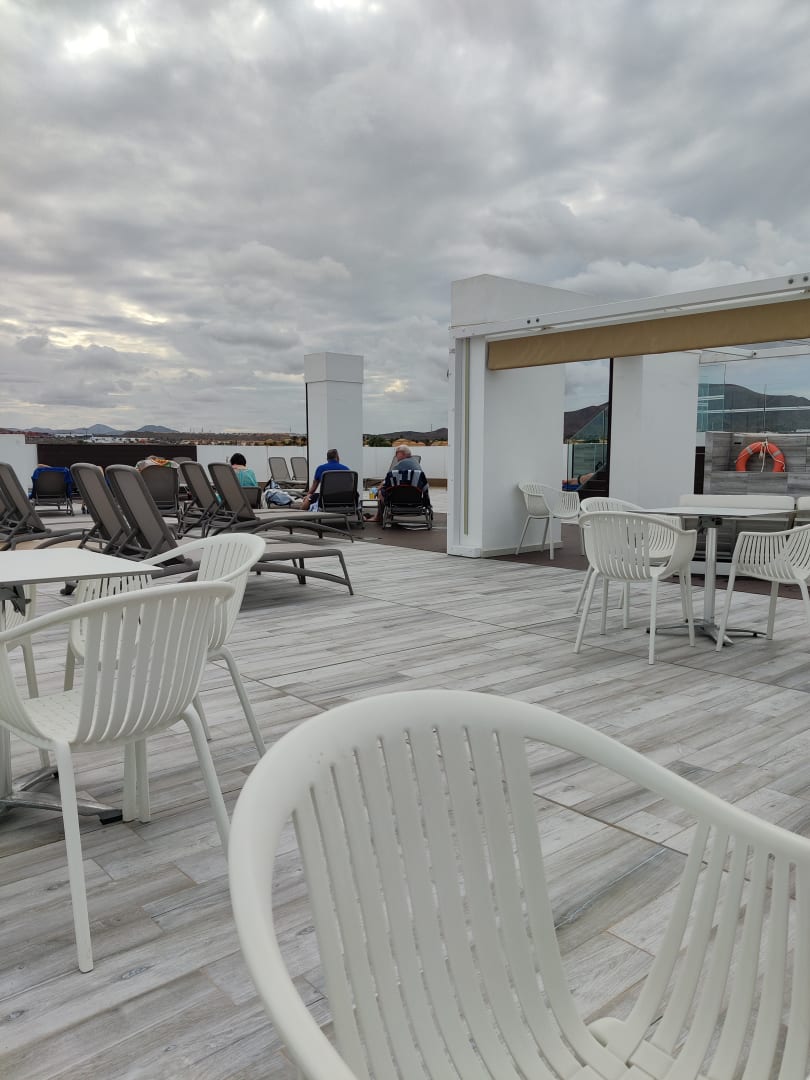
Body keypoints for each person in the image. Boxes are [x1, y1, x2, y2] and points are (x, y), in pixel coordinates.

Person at [375, 446, 431, 523]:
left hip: (397, 502)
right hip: (415, 502)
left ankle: (378, 517)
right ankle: (386, 515)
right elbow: (425, 487)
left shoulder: (400, 466)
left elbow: (387, 481)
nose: (395, 455)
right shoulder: (416, 464)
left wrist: (379, 487)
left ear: (403, 454)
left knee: (380, 492)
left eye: (397, 453)